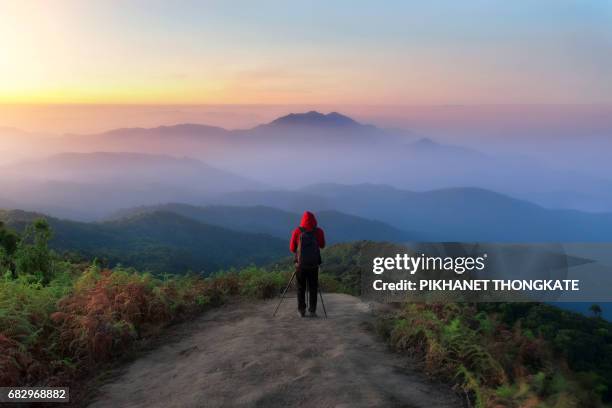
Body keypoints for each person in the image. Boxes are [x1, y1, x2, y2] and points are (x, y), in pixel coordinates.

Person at [289, 211, 326, 318]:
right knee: (313, 287)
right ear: (314, 220)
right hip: (314, 265)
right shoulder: (318, 231)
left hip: (300, 265)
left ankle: (301, 310)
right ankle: (312, 310)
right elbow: (322, 245)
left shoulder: (297, 231)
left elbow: (292, 249)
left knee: (301, 287)